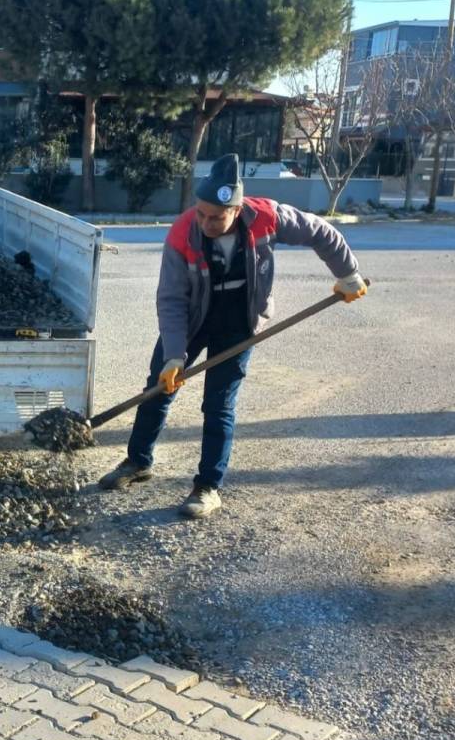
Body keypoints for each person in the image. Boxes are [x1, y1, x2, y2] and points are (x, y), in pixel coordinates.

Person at [98, 153, 367, 519]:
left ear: (237, 211)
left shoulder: (268, 217)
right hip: (192, 318)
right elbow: (172, 298)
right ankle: (137, 461)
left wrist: (348, 273)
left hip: (239, 320)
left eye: (216, 216)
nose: (206, 222)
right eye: (201, 213)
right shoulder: (182, 233)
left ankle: (207, 486)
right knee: (158, 387)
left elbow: (321, 231)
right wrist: (175, 355)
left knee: (219, 404)